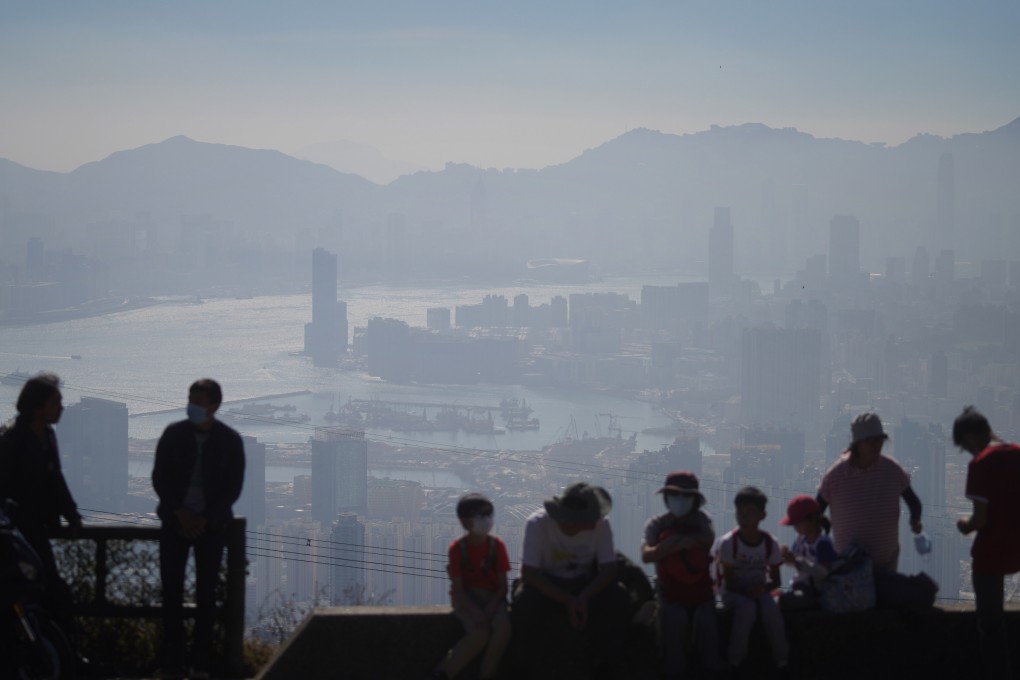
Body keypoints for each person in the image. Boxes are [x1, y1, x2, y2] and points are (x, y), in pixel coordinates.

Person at [152, 379, 245, 679]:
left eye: (199, 401)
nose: (192, 406)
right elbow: (160, 479)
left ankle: (201, 661)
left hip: (212, 527)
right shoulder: (173, 435)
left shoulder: (230, 441)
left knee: (207, 594)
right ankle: (172, 659)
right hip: (175, 522)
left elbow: (232, 488)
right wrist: (180, 512)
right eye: (190, 400)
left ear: (214, 405)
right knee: (171, 591)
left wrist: (204, 518)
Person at [512, 482, 631, 679]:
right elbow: (529, 574)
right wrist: (567, 600)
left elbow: (609, 569)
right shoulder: (538, 524)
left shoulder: (602, 524)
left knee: (618, 598)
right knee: (525, 601)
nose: (597, 518)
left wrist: (583, 596)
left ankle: (607, 665)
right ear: (573, 520)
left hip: (584, 584)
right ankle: (521, 666)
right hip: (545, 585)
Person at [0, 373, 82, 630]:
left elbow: (55, 478)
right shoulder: (12, 438)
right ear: (38, 406)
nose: (61, 408)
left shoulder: (46, 435)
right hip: (16, 532)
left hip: (38, 526)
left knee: (50, 589)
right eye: (56, 403)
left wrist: (72, 514)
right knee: (47, 589)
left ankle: (59, 651)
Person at [816, 412, 925, 599]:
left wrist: (915, 520)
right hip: (849, 568)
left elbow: (914, 502)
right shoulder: (836, 476)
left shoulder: (892, 470)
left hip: (885, 565)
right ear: (857, 443)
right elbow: (815, 513)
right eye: (871, 441)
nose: (877, 446)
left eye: (879, 440)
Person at [954, 406, 1020, 680]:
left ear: (969, 438)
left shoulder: (980, 463)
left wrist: (964, 525)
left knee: (991, 626)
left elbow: (980, 520)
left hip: (991, 552)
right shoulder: (1017, 453)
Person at [640, 471, 721, 680]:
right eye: (674, 495)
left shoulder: (702, 520)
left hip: (702, 594)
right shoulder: (657, 524)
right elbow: (646, 555)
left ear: (694, 499)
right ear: (666, 497)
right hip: (670, 595)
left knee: (709, 648)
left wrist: (668, 545)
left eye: (686, 496)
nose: (680, 500)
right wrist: (675, 542)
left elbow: (708, 540)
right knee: (673, 649)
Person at [429, 493, 511, 680]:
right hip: (466, 600)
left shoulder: (496, 546)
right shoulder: (457, 549)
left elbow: (502, 587)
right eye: (480, 516)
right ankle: (443, 672)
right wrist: (476, 612)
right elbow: (458, 589)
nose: (487, 520)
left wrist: (489, 609)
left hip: (493, 599)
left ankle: (486, 674)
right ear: (465, 521)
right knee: (479, 634)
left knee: (503, 629)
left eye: (489, 515)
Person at [714, 486, 789, 674]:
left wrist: (762, 589)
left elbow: (776, 579)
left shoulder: (770, 543)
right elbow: (728, 581)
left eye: (750, 513)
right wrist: (749, 592)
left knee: (772, 610)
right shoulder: (728, 543)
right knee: (747, 609)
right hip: (733, 593)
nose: (743, 518)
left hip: (760, 589)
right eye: (740, 513)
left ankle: (782, 660)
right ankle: (735, 661)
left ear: (762, 516)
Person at [778, 494, 837, 610]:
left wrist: (798, 561)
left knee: (784, 601)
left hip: (816, 592)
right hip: (800, 586)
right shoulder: (800, 539)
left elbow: (825, 573)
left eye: (798, 523)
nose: (795, 528)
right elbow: (795, 562)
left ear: (812, 519)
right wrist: (786, 557)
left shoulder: (823, 543)